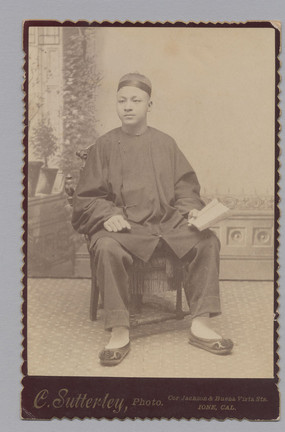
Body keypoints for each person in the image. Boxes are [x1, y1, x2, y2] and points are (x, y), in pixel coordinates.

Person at [72, 73, 233, 366]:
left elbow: (185, 187)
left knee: (207, 241)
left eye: (136, 100)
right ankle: (119, 330)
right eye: (122, 100)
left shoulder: (165, 143)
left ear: (150, 104)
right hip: (126, 228)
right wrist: (107, 215)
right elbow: (86, 197)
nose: (128, 106)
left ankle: (201, 324)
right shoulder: (104, 146)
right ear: (116, 105)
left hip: (166, 225)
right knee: (106, 247)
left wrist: (191, 210)